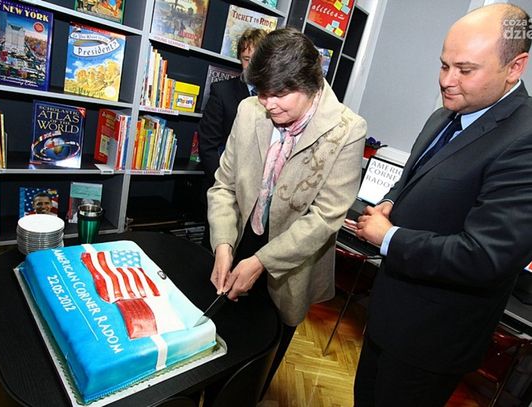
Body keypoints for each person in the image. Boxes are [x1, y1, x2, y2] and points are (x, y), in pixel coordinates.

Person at [350, 4, 532, 406]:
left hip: (432, 339)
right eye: (444, 65)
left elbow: (486, 256)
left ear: (515, 67)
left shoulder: (525, 138)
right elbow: (414, 178)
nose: (447, 80)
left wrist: (389, 238)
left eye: (465, 70)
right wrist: (390, 202)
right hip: (388, 313)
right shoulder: (443, 115)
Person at [207, 27, 366, 391]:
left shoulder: (347, 130)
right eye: (261, 92)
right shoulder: (249, 110)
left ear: (311, 83)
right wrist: (223, 244)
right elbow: (224, 186)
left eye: (279, 94)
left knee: (260, 367)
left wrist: (261, 262)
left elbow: (325, 218)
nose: (268, 104)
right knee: (220, 350)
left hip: (292, 262)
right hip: (240, 241)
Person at [198, 28, 267, 249]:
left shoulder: (274, 97)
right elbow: (208, 146)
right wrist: (226, 186)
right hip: (225, 191)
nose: (251, 65)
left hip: (259, 198)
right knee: (216, 248)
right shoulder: (222, 92)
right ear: (240, 59)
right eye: (247, 59)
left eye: (257, 59)